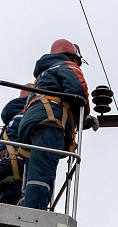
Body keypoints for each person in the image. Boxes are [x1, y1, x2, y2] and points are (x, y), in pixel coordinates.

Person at [18, 39, 98, 210]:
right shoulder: (67, 65)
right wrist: (84, 115)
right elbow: (78, 90)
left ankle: (25, 206)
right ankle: (35, 212)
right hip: (50, 122)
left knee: (34, 171)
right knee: (43, 171)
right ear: (72, 57)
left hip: (30, 123)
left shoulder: (43, 74)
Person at [0, 85, 32, 204]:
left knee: (3, 208)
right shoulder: (31, 116)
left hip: (3, 169)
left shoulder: (11, 118)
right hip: (16, 170)